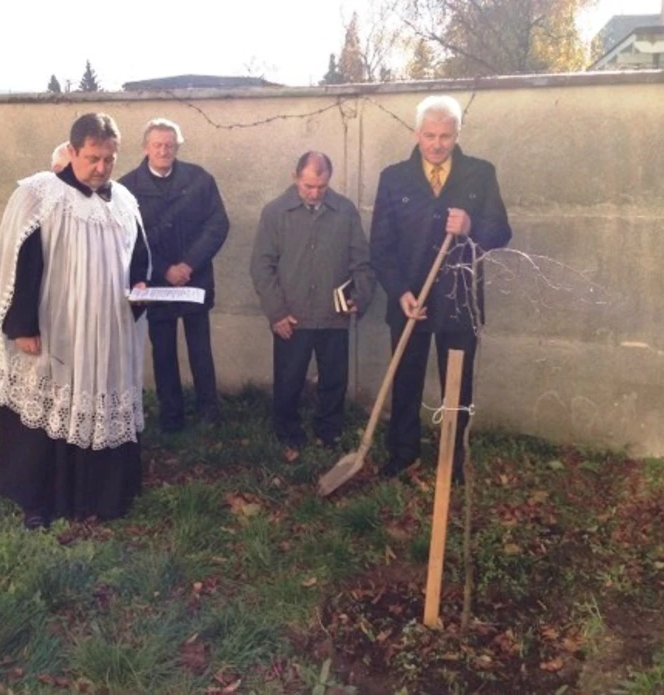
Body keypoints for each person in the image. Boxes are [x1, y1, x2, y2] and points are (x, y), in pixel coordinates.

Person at [0, 113, 152, 528]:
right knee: (46, 406)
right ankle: (39, 501)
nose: (101, 168)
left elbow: (139, 257)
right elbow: (21, 264)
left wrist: (142, 288)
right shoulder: (40, 195)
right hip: (55, 329)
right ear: (71, 152)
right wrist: (23, 326)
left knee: (98, 402)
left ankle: (102, 495)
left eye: (109, 159)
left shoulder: (124, 200)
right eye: (92, 158)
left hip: (107, 332)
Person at [370, 95, 512, 484]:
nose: (437, 144)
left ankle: (452, 457)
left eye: (445, 136)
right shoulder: (394, 177)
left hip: (458, 300)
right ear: (417, 134)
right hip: (410, 301)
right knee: (406, 380)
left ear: (457, 135)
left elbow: (500, 233)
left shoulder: (480, 175)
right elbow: (380, 247)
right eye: (430, 135)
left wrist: (471, 228)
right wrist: (399, 291)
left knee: (457, 384)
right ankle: (403, 454)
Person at [251, 152, 375, 457]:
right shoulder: (275, 213)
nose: (315, 193)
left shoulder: (345, 212)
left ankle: (329, 432)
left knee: (334, 379)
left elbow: (362, 261)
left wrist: (360, 297)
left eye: (321, 186)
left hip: (333, 315)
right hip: (292, 315)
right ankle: (286, 431)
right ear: (296, 177)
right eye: (308, 186)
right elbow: (261, 266)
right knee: (289, 378)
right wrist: (276, 312)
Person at [118, 119, 229, 433]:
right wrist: (166, 267)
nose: (163, 151)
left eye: (170, 145)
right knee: (163, 351)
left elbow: (217, 224)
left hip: (195, 280)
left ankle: (209, 412)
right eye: (157, 145)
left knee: (200, 350)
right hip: (156, 283)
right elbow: (131, 238)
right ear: (145, 148)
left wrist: (189, 264)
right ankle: (172, 417)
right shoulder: (127, 188)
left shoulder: (200, 179)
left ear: (177, 147)